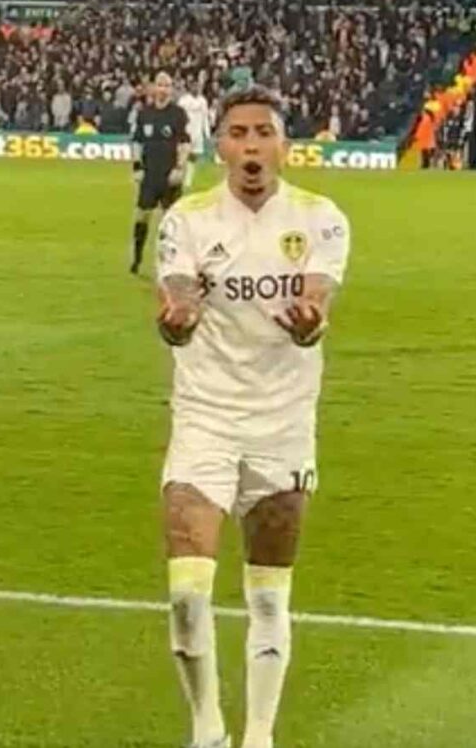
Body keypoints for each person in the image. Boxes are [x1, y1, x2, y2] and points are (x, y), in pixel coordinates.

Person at [155, 85, 350, 748]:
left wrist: (308, 324)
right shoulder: (188, 219)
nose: (251, 145)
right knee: (187, 591)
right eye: (238, 133)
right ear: (221, 147)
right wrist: (178, 322)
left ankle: (259, 736)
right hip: (205, 416)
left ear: (283, 145)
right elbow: (178, 298)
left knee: (268, 596)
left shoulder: (321, 218)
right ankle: (206, 729)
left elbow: (317, 299)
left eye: (263, 132)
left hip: (282, 422)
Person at [130, 71, 192, 275]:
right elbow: (138, 142)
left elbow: (184, 143)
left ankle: (170, 264)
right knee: (141, 216)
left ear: (171, 89)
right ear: (153, 87)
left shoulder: (178, 114)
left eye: (167, 85)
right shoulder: (144, 113)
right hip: (149, 175)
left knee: (171, 223)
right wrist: (137, 166)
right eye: (160, 84)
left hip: (169, 175)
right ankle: (137, 259)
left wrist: (180, 168)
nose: (163, 89)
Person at [176, 80, 212, 188]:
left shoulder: (203, 101)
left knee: (193, 157)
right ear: (190, 88)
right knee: (182, 157)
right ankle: (179, 178)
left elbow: (205, 118)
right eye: (194, 87)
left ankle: (188, 180)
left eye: (198, 87)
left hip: (198, 134)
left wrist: (207, 134)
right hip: (186, 132)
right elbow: (177, 116)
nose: (196, 89)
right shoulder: (183, 100)